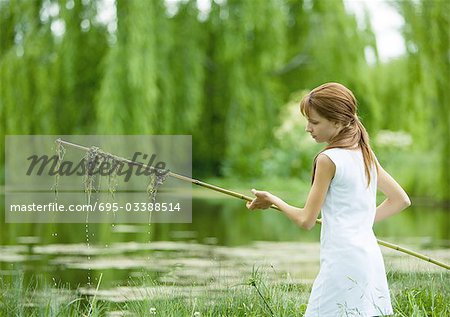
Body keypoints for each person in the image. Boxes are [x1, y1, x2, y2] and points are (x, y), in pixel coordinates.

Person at [246, 82, 411, 316]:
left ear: (337, 121)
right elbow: (400, 200)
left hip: (342, 262)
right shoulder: (364, 153)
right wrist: (357, 222)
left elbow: (306, 220)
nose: (307, 128)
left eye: (314, 122)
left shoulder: (328, 159)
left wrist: (273, 200)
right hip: (369, 259)